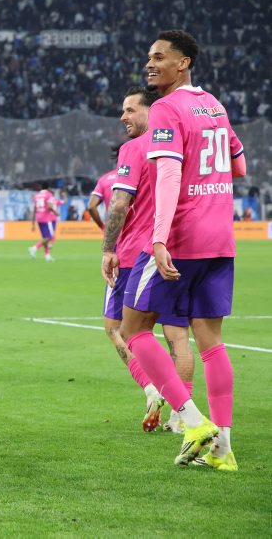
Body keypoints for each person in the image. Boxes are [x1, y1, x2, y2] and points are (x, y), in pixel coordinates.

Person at [119, 30, 246, 469]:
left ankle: (192, 422)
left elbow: (169, 176)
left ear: (183, 62)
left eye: (159, 57)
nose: (150, 64)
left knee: (134, 329)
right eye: (148, 57)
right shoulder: (214, 105)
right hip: (220, 237)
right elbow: (239, 165)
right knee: (211, 342)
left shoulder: (166, 109)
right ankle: (223, 449)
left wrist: (158, 238)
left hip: (182, 237)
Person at [100, 87, 193, 433]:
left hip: (136, 254)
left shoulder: (134, 147)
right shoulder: (179, 143)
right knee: (177, 335)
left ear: (151, 111)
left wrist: (107, 249)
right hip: (179, 250)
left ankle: (152, 387)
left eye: (130, 110)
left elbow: (119, 204)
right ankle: (183, 417)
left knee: (117, 329)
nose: (123, 116)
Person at [29, 183, 59, 261]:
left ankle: (47, 255)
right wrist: (56, 212)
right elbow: (49, 207)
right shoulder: (48, 195)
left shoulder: (37, 196)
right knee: (50, 236)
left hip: (38, 217)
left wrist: (33, 223)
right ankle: (34, 248)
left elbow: (35, 209)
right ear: (48, 188)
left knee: (45, 237)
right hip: (46, 218)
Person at [86, 167, 118, 231]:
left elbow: (91, 206)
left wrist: (103, 227)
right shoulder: (133, 175)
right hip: (133, 229)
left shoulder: (105, 178)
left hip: (112, 229)